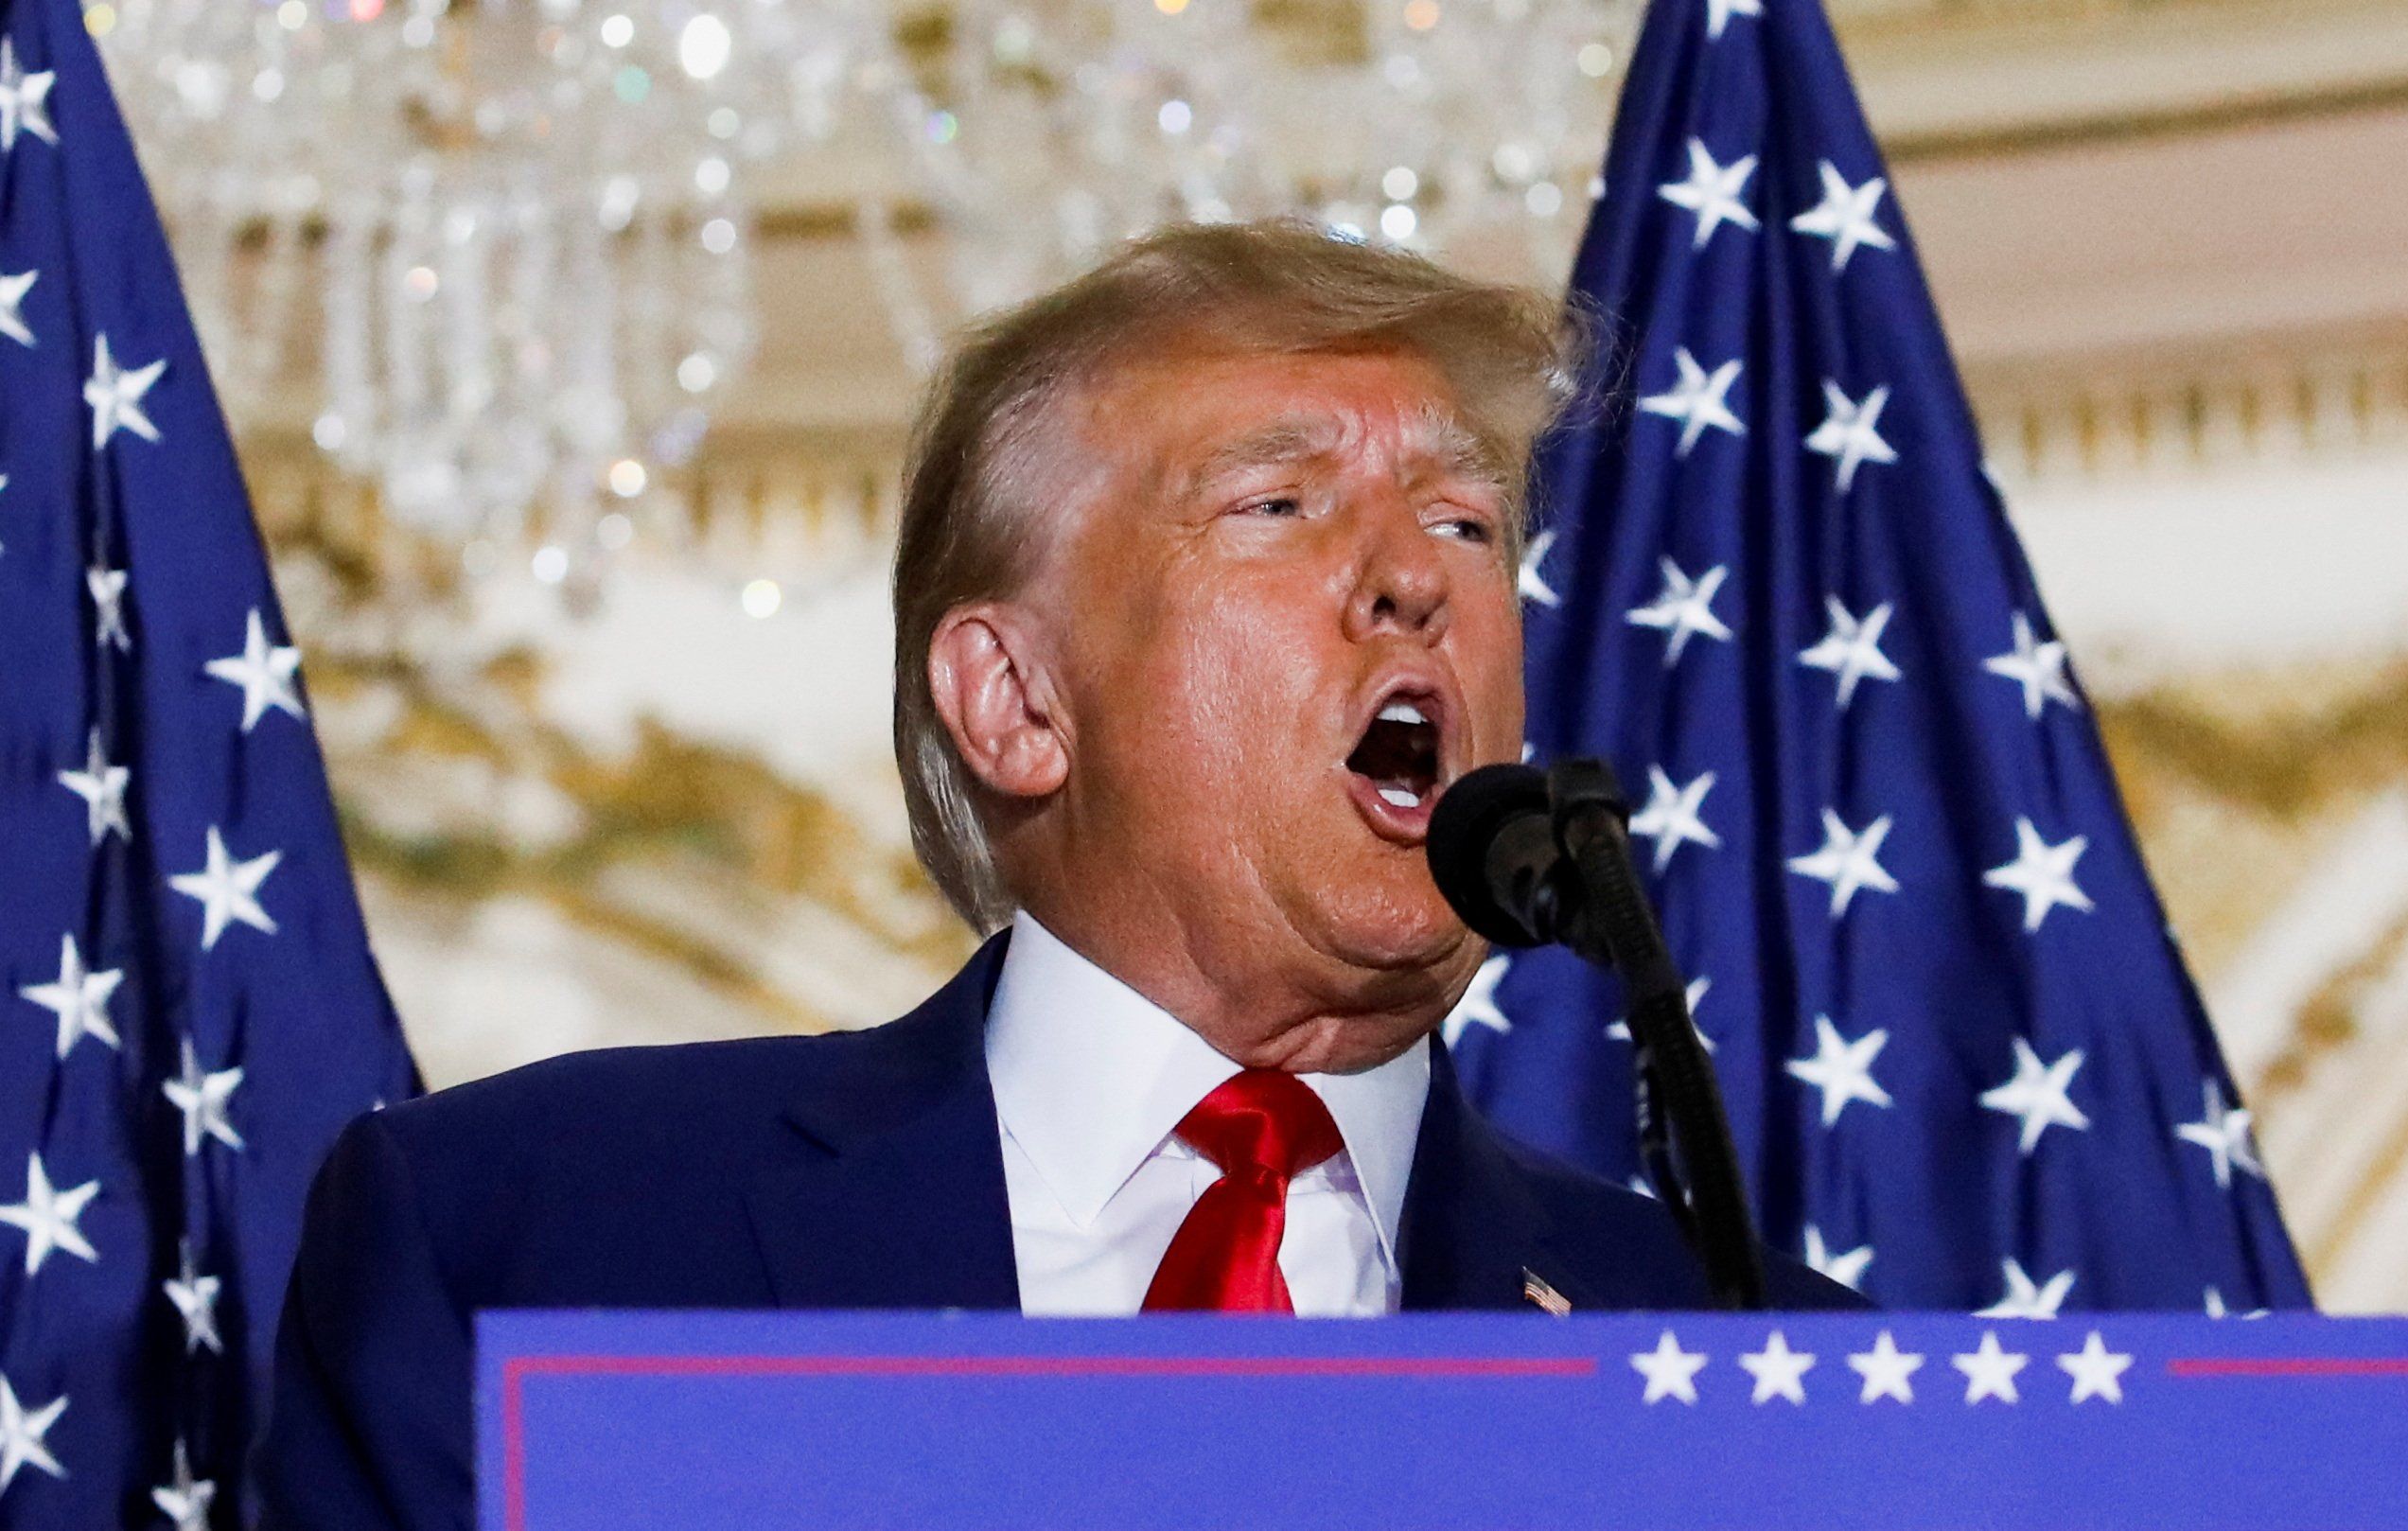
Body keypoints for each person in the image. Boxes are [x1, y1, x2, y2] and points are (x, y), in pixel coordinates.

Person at [255, 220, 1860, 1529]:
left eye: (1463, 518)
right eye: (1278, 502)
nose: (1411, 579)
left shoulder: (1748, 1366)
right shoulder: (536, 1240)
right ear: (1017, 704)